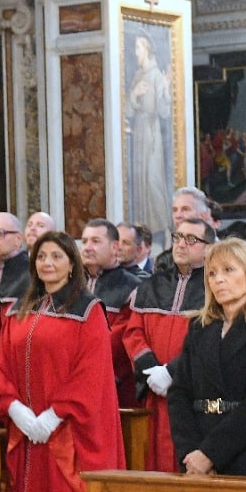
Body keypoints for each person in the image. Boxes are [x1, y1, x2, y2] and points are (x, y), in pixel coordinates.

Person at [0, 231, 124, 492]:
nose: (47, 263)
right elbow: (1, 361)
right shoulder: (21, 307)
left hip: (67, 427)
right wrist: (16, 409)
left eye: (56, 256)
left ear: (72, 263)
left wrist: (54, 414)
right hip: (27, 423)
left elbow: (92, 370)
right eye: (41, 257)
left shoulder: (88, 309)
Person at [167, 239, 246, 477]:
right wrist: (191, 453)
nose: (218, 279)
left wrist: (210, 455)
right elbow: (179, 393)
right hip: (195, 459)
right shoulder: (199, 327)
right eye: (212, 273)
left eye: (228, 270)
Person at [123, 218, 214, 472]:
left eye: (191, 239)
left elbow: (211, 339)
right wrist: (151, 369)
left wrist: (172, 372)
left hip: (194, 396)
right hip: (153, 392)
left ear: (208, 247)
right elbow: (133, 331)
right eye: (177, 237)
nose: (181, 244)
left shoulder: (216, 286)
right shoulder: (151, 284)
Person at [80, 218, 143, 406]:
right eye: (84, 241)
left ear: (115, 247)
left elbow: (120, 340)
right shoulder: (68, 284)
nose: (88, 247)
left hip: (114, 387)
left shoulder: (132, 287)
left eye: (95, 241)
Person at [127, 33, 174, 231]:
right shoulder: (138, 76)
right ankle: (143, 229)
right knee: (140, 180)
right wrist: (134, 95)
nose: (135, 53)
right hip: (139, 130)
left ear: (146, 48)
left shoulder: (155, 75)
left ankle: (161, 227)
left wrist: (165, 91)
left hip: (151, 132)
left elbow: (164, 112)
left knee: (152, 178)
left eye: (138, 48)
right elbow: (128, 110)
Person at [155, 187, 218, 272]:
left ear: (203, 216)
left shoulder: (228, 254)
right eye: (175, 210)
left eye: (185, 209)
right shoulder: (165, 261)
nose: (178, 215)